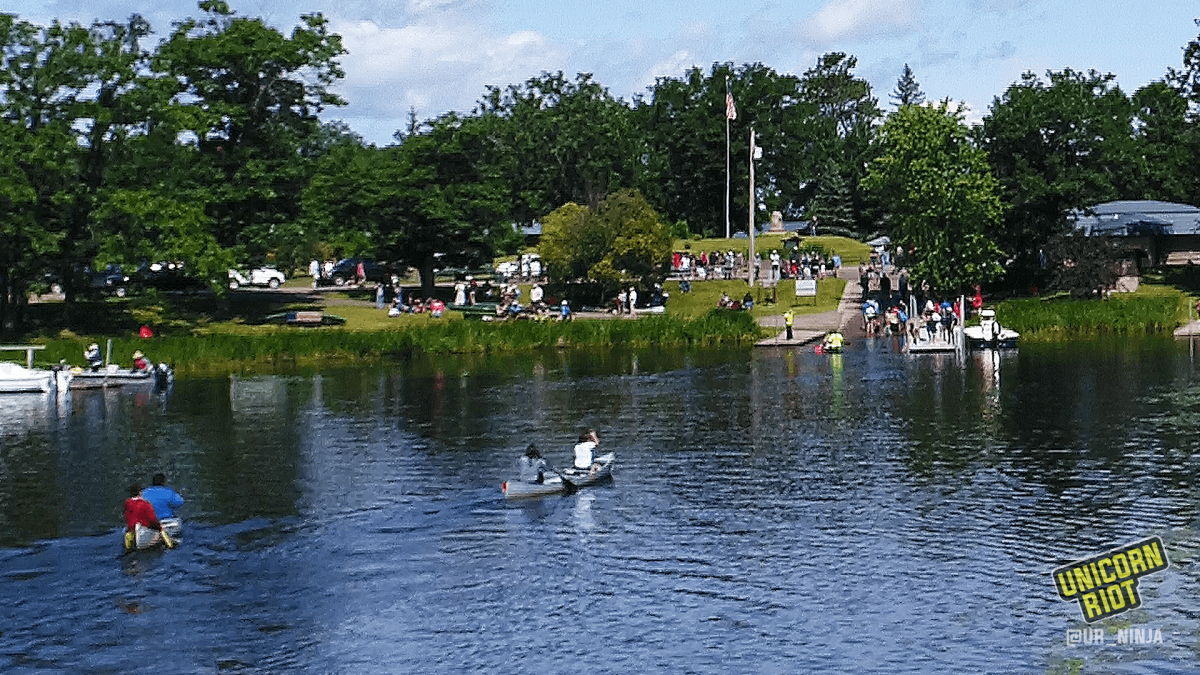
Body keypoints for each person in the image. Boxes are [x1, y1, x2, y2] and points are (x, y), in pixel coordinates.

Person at [123, 483, 165, 551]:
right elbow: (152, 519)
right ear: (140, 492)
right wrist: (159, 527)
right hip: (145, 529)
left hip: (132, 530)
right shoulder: (146, 504)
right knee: (161, 530)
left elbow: (126, 516)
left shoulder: (127, 503)